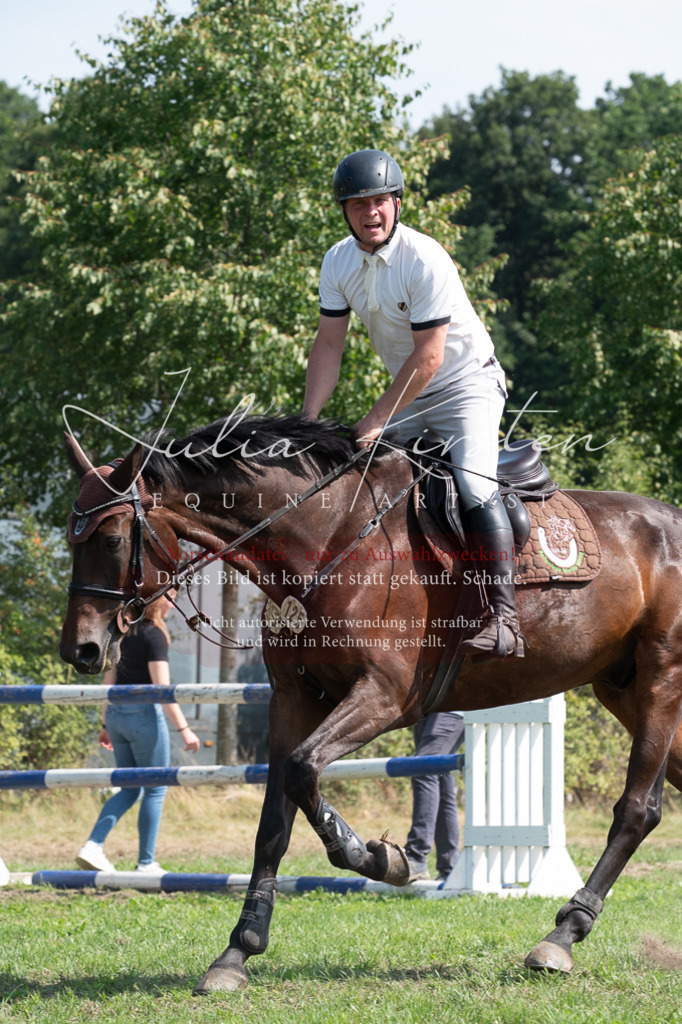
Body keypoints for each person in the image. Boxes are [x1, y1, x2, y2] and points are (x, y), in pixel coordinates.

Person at [302, 149, 523, 658]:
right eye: (358, 204)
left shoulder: (423, 258)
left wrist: (376, 418)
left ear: (397, 204)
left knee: (472, 484)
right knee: (366, 486)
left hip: (466, 384)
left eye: (379, 200)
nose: (369, 212)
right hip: (413, 392)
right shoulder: (337, 261)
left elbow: (430, 357)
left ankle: (503, 617)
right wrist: (307, 424)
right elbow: (328, 345)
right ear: (344, 210)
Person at [76, 592, 199, 874]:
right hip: (143, 715)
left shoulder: (122, 634)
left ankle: (93, 846)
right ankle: (146, 863)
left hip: (117, 715)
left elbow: (111, 680)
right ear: (156, 601)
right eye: (169, 599)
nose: (172, 604)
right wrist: (185, 729)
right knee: (155, 788)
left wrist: (106, 725)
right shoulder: (154, 636)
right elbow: (162, 690)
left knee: (130, 787)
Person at [404, 711, 464, 882]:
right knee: (442, 785)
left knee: (423, 769)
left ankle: (416, 856)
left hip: (450, 710)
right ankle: (449, 870)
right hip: (427, 711)